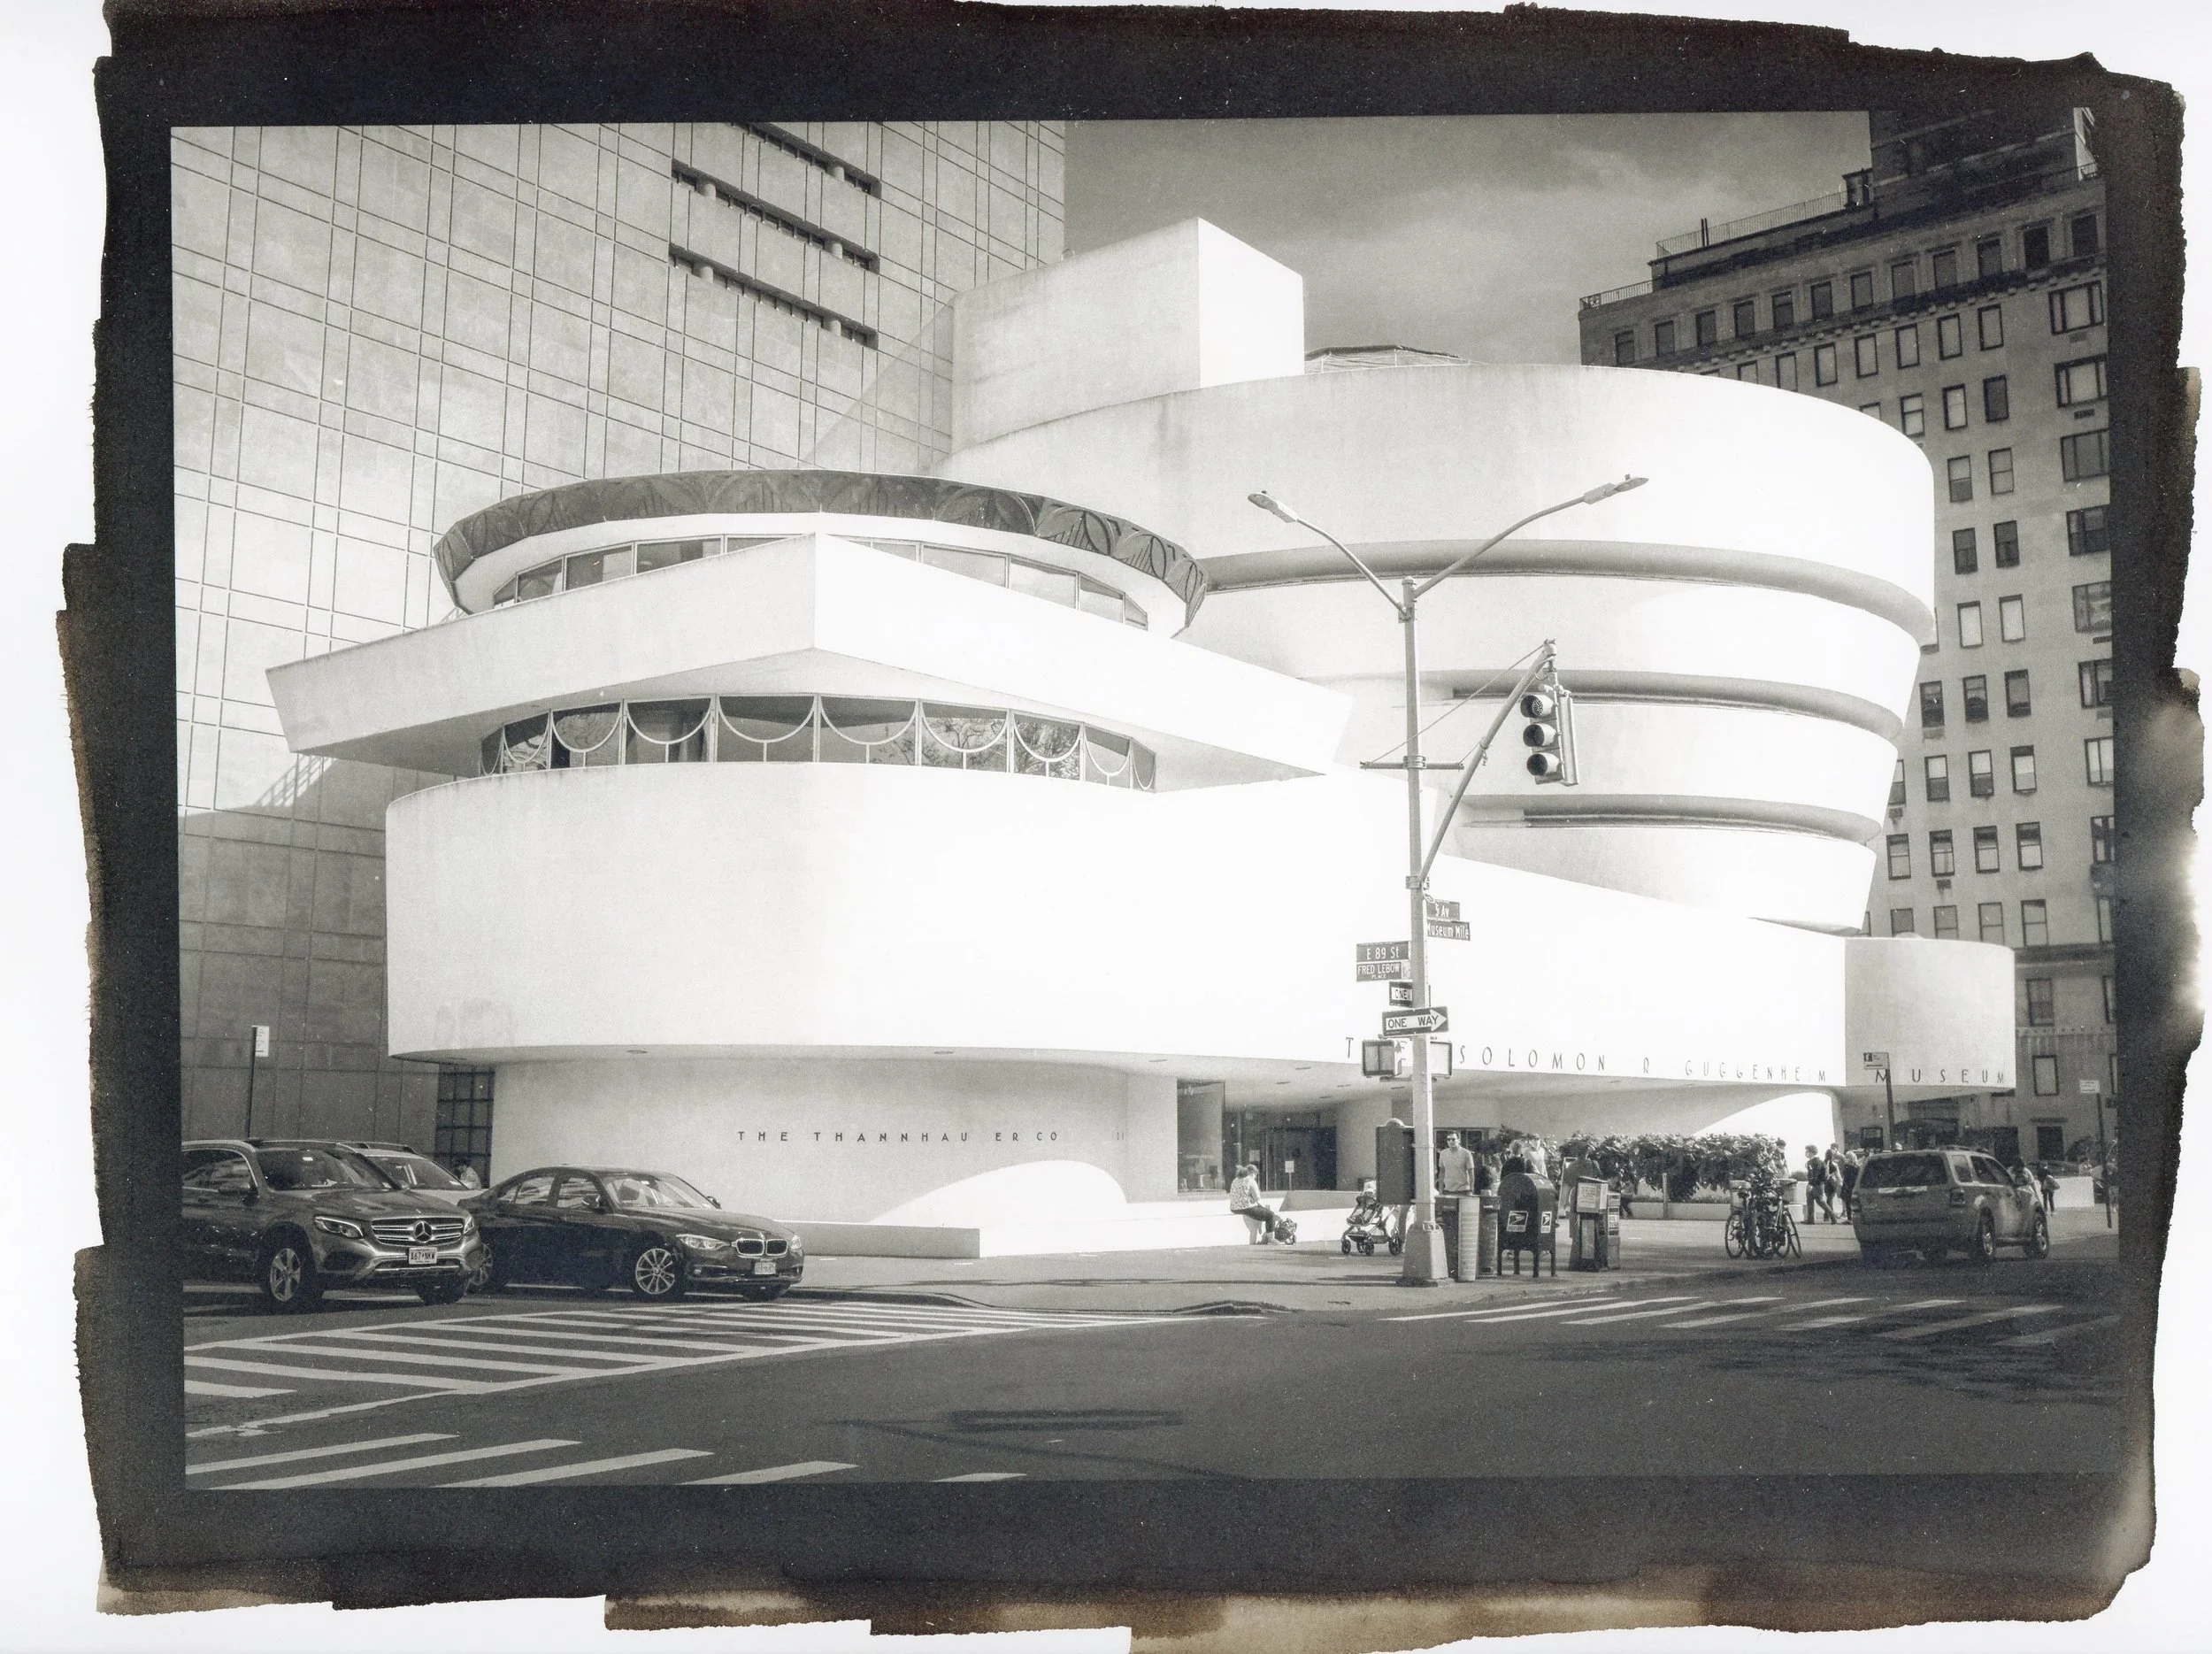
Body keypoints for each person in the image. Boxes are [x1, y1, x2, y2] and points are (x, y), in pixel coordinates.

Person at [1227, 1162, 1275, 1243]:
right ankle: (1271, 1239)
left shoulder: (1235, 1180)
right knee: (1270, 1215)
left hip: (1234, 1208)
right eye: (1256, 1175)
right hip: (1246, 1208)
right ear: (1254, 1173)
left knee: (1261, 1210)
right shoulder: (1251, 1181)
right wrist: (1253, 1198)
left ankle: (1261, 1231)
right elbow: (1257, 1198)